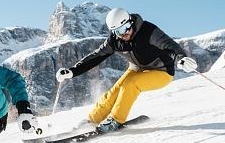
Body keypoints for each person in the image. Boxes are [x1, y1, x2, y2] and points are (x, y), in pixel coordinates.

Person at [55, 8, 198, 133]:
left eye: (125, 28)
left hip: (162, 71)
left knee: (130, 84)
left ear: (131, 22)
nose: (124, 34)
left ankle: (115, 120)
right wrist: (72, 71)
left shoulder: (148, 31)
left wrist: (181, 58)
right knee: (115, 91)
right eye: (118, 31)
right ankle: (92, 120)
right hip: (137, 68)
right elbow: (96, 56)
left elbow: (169, 44)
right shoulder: (114, 40)